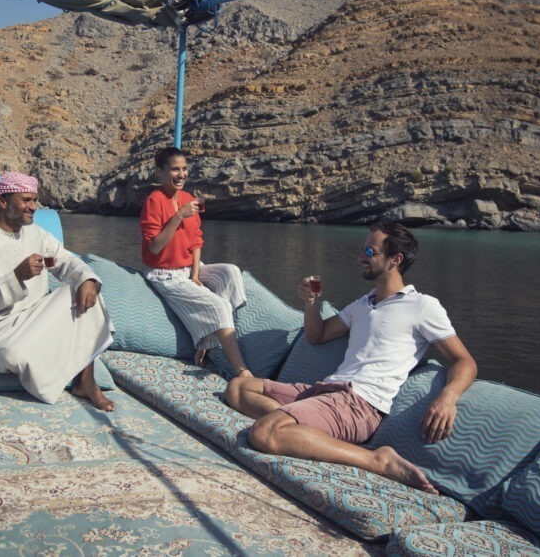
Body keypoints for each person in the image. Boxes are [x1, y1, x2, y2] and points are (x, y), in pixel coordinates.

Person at [224, 222, 477, 494]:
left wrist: (448, 397)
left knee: (264, 433)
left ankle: (377, 459)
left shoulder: (423, 306)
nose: (361, 257)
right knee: (238, 388)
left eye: (370, 251)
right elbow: (317, 335)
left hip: (359, 404)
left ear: (395, 259)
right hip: (326, 391)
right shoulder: (364, 303)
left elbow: (465, 361)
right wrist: (311, 303)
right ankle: (308, 429)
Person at [0, 171, 115, 411]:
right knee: (14, 355)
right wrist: (16, 277)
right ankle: (51, 366)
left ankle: (86, 380)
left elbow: (66, 262)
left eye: (34, 200)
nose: (33, 207)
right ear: (4, 201)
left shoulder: (37, 236)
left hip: (34, 319)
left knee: (84, 287)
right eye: (26, 200)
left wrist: (87, 279)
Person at [139, 146, 253, 378]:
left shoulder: (189, 198)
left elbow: (196, 240)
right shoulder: (154, 200)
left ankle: (209, 339)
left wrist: (195, 275)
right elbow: (154, 247)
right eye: (174, 170)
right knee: (219, 305)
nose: (181, 175)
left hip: (189, 269)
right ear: (160, 172)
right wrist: (178, 216)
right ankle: (242, 371)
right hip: (165, 274)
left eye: (184, 169)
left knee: (231, 272)